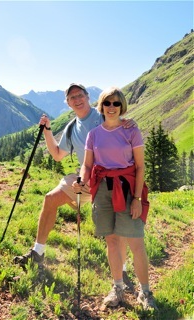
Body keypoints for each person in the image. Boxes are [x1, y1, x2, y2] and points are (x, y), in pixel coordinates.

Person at [14, 83, 136, 291]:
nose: (77, 99)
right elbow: (58, 155)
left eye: (80, 95)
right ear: (68, 103)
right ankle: (38, 253)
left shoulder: (101, 116)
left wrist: (127, 122)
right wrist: (48, 131)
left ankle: (122, 271)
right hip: (85, 178)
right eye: (72, 98)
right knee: (50, 199)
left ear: (88, 97)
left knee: (115, 229)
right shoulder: (71, 127)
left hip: (112, 180)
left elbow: (120, 124)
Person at [72, 86, 156, 310]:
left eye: (116, 103)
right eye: (107, 103)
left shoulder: (131, 131)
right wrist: (81, 180)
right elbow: (88, 164)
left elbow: (140, 166)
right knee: (112, 240)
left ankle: (145, 292)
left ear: (122, 106)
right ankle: (117, 288)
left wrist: (137, 198)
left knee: (136, 242)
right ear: (101, 106)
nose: (111, 107)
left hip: (127, 191)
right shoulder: (94, 134)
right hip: (102, 192)